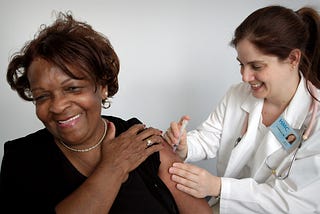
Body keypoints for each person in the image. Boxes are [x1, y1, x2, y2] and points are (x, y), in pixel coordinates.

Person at [0, 12, 211, 214]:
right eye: (42, 96)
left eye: (72, 88)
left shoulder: (139, 139)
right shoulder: (22, 159)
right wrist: (112, 168)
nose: (57, 106)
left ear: (103, 86)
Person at [164, 5, 320, 213]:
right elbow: (209, 137)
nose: (245, 77)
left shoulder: (315, 119)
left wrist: (218, 187)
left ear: (293, 59)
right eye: (241, 64)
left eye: (256, 67)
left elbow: (293, 202)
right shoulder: (238, 94)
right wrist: (185, 146)